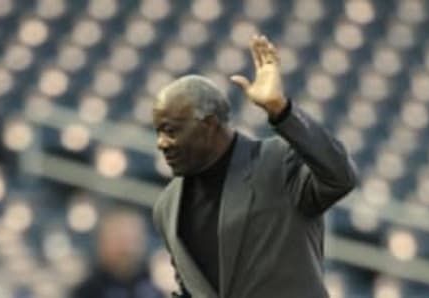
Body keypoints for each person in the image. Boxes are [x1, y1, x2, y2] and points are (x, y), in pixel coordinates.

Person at [151, 35, 357, 298]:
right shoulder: (167, 205)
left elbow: (341, 177)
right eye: (158, 132)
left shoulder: (278, 162)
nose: (161, 143)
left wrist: (281, 111)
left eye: (170, 131)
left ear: (209, 125)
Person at [71, 209, 163, 298]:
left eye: (132, 239)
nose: (126, 248)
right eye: (118, 239)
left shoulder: (154, 285)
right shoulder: (87, 290)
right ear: (101, 242)